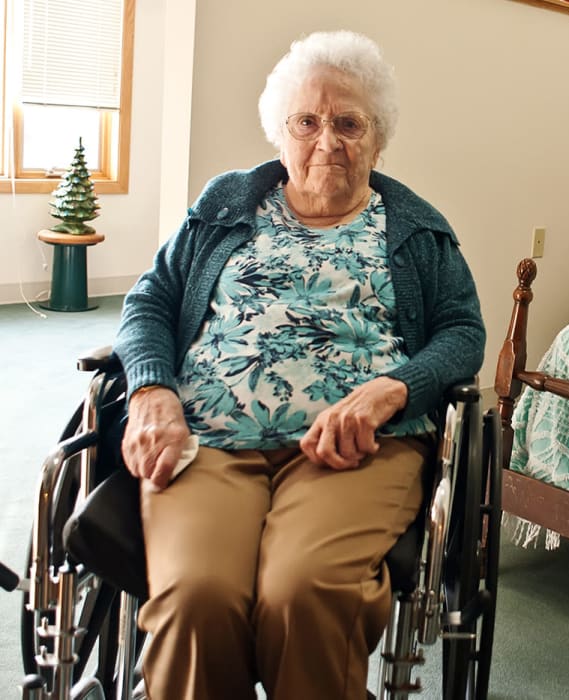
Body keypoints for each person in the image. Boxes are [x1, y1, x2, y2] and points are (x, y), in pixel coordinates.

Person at [113, 30, 485, 700]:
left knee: (305, 590)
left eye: (349, 123)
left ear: (379, 137)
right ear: (279, 132)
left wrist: (392, 391)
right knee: (198, 595)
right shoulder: (226, 207)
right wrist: (151, 391)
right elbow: (151, 301)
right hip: (208, 439)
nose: (328, 140)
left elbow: (461, 334)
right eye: (307, 121)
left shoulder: (417, 232)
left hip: (357, 448)